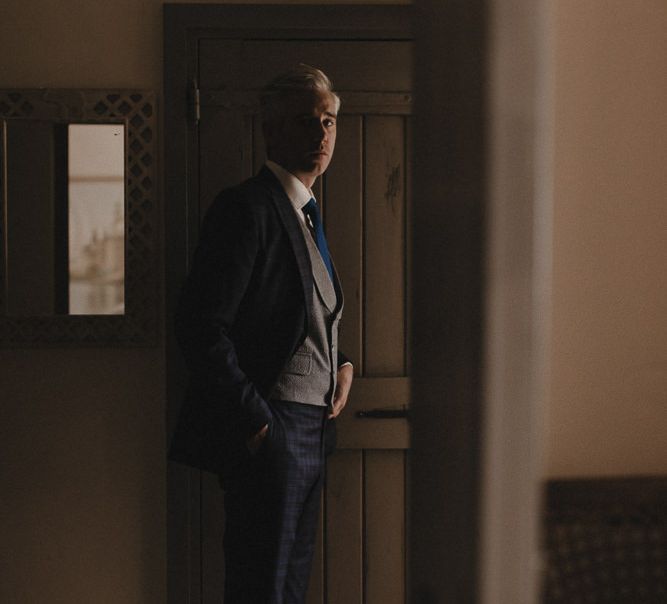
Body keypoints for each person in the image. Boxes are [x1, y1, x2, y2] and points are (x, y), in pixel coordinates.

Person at [169, 64, 353, 604]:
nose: (322, 134)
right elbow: (200, 326)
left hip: (316, 428)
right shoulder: (247, 208)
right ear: (271, 130)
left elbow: (304, 311)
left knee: (290, 590)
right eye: (306, 120)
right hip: (274, 426)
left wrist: (342, 363)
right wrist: (257, 422)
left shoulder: (309, 217)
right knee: (260, 589)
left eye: (329, 121)